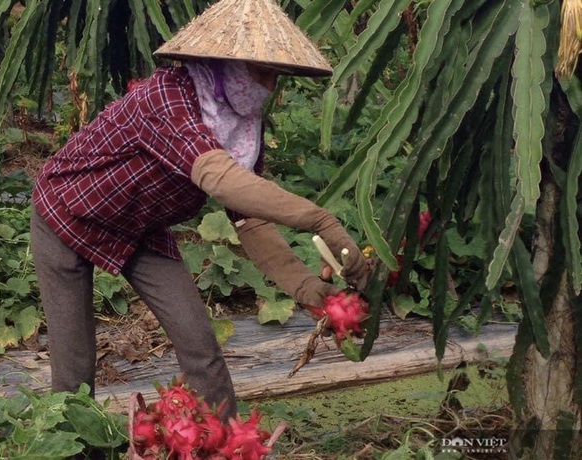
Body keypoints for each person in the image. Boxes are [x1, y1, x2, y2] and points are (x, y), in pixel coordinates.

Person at [30, 0, 371, 421]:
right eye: (258, 70)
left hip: (140, 225)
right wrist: (321, 219)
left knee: (199, 343)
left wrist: (304, 288)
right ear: (223, 60)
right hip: (68, 213)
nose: (267, 85)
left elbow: (249, 215)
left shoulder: (243, 127)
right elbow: (217, 177)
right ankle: (76, 448)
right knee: (75, 364)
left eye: (274, 75)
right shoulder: (166, 96)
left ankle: (226, 439)